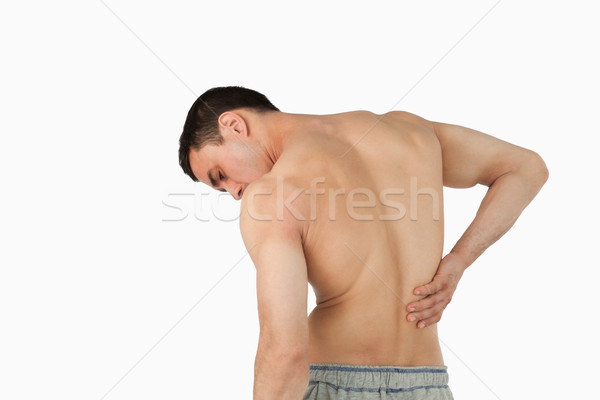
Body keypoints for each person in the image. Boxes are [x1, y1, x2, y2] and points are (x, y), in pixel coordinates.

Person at [178, 86, 549, 399]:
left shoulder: (270, 195)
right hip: (429, 385)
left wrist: (459, 259)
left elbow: (285, 351)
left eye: (220, 175)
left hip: (331, 384)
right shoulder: (410, 131)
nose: (235, 193)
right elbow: (525, 168)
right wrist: (459, 260)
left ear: (233, 124)